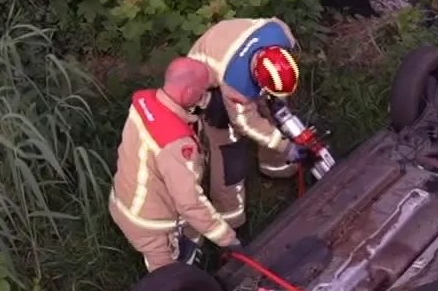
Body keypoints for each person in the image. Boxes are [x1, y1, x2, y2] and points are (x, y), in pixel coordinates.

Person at [107, 56, 241, 270]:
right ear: (188, 93)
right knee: (171, 280)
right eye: (202, 92)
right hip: (151, 225)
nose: (204, 97)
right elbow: (190, 202)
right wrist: (228, 239)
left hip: (123, 198)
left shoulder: (144, 102)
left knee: (192, 234)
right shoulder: (177, 144)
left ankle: (194, 256)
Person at [185, 16, 312, 232]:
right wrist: (286, 146)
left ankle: (276, 168)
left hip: (230, 53)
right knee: (229, 151)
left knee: (273, 114)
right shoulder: (236, 82)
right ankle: (230, 219)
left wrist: (277, 101)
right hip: (204, 85)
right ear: (256, 76)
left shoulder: (281, 32)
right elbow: (246, 123)